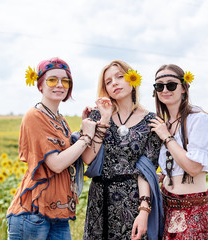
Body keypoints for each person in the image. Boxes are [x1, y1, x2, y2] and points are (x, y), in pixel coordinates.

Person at [6, 57, 96, 240]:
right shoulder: (34, 116)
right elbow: (55, 163)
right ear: (40, 85)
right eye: (52, 79)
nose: (60, 85)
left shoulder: (60, 119)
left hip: (58, 214)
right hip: (33, 213)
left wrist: (82, 127)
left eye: (65, 81)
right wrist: (86, 136)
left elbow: (72, 155)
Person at [82, 60, 163, 240]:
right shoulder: (97, 115)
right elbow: (88, 158)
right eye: (108, 82)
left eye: (120, 77)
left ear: (132, 79)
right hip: (100, 198)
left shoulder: (151, 121)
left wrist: (144, 210)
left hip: (133, 199)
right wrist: (104, 119)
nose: (115, 83)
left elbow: (146, 171)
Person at [149, 64, 208, 239]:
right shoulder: (165, 123)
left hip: (192, 207)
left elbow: (193, 168)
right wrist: (162, 176)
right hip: (166, 206)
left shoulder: (198, 119)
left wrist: (167, 137)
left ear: (184, 88)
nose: (165, 89)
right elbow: (177, 164)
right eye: (159, 86)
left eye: (171, 85)